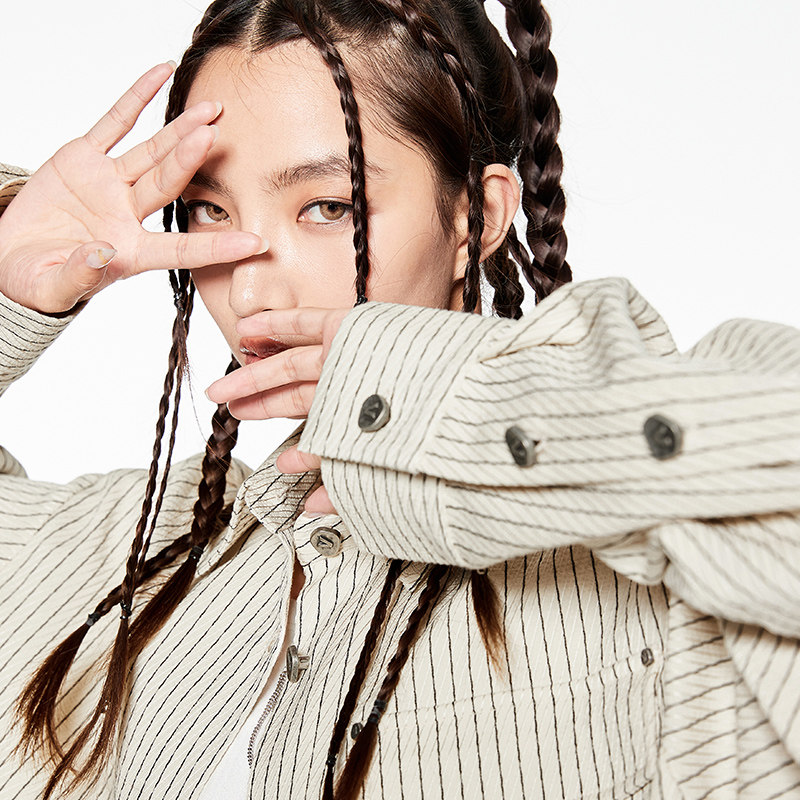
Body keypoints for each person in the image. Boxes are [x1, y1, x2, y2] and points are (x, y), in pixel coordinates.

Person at [0, 2, 798, 799]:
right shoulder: (132, 556)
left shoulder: (641, 576)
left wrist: (408, 390)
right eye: (211, 210)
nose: (247, 289)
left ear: (476, 216)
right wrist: (8, 279)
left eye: (328, 207)